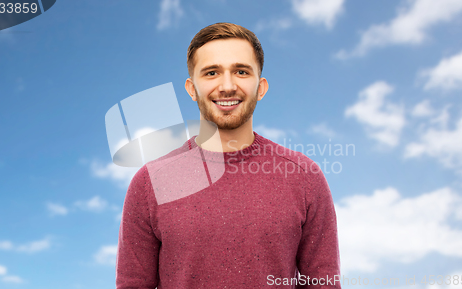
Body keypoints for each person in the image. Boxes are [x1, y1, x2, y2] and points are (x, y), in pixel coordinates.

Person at [116, 22, 341, 288]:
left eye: (241, 71)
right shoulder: (150, 184)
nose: (227, 86)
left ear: (261, 87)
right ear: (191, 88)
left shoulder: (304, 177)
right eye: (211, 72)